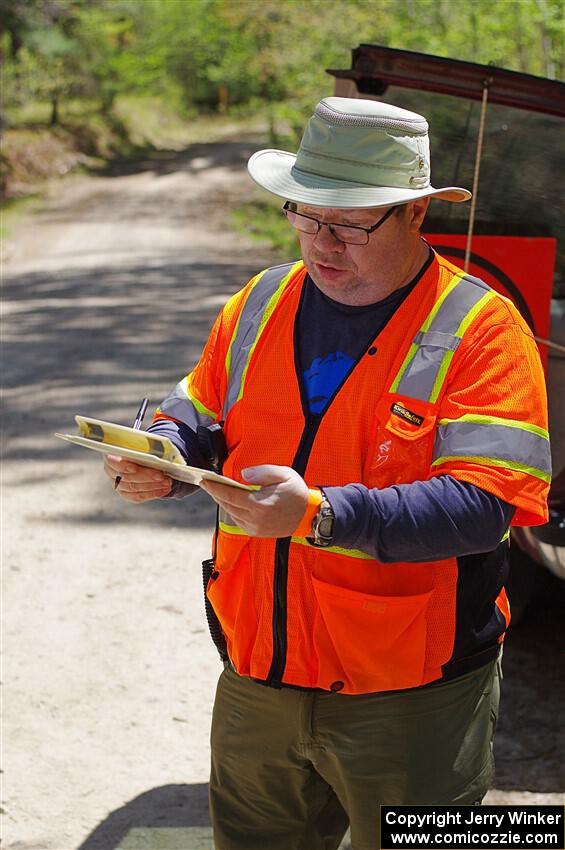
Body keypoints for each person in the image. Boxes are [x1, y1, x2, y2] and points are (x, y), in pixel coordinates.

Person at [103, 98, 551, 850]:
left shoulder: (482, 327)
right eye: (306, 217)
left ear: (415, 214)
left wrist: (317, 515)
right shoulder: (260, 300)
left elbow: (484, 504)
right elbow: (195, 412)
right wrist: (161, 457)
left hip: (412, 695)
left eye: (349, 223)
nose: (322, 244)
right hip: (256, 678)